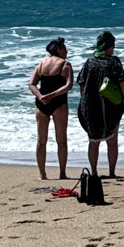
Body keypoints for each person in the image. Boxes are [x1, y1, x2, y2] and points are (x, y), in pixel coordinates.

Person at [76, 31, 124, 179]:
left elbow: (81, 83)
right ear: (108, 47)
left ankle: (94, 172)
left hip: (91, 106)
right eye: (112, 46)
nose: (113, 49)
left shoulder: (89, 62)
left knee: (94, 141)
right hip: (110, 106)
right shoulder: (113, 62)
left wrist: (84, 101)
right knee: (112, 140)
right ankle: (111, 172)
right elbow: (122, 82)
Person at [29, 37, 74, 180]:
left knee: (41, 141)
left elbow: (31, 84)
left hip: (41, 104)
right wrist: (53, 95)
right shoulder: (65, 64)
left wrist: (40, 96)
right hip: (59, 103)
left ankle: (42, 175)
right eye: (64, 48)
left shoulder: (41, 64)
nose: (66, 51)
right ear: (58, 50)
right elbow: (68, 86)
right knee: (61, 141)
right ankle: (62, 173)